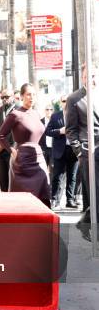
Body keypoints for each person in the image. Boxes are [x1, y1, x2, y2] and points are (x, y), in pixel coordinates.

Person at [0, 83, 50, 207]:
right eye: (28, 94)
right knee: (23, 202)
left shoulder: (37, 114)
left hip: (39, 159)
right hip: (22, 162)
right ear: (21, 97)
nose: (31, 97)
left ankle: (41, 226)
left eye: (34, 94)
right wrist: (12, 151)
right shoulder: (15, 114)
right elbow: (0, 136)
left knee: (42, 198)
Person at [65, 63, 99, 233]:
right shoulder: (74, 99)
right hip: (87, 150)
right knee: (93, 190)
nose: (92, 79)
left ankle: (85, 223)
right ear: (83, 77)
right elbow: (70, 129)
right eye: (88, 76)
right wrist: (78, 151)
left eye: (94, 75)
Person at [46, 96, 79, 209]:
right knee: (57, 176)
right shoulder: (55, 116)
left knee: (72, 176)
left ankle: (70, 200)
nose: (66, 103)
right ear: (61, 103)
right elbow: (48, 131)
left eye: (68, 101)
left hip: (73, 149)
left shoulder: (76, 114)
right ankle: (55, 200)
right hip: (60, 149)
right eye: (64, 101)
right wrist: (60, 131)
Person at [0, 89, 16, 191]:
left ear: (13, 97)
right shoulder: (1, 109)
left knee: (12, 182)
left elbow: (14, 130)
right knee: (2, 181)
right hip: (0, 152)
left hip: (12, 149)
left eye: (6, 97)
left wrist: (2, 144)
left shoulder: (18, 109)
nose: (4, 99)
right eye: (2, 97)